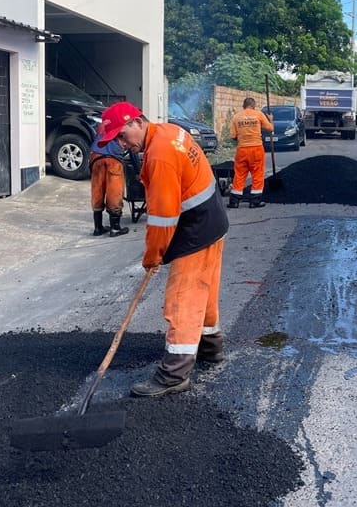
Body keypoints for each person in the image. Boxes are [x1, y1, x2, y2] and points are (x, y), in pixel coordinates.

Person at [98, 101, 229, 397]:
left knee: (182, 299)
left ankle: (174, 374)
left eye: (121, 136)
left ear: (137, 123)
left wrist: (153, 257)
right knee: (204, 293)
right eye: (115, 140)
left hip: (197, 227)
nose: (121, 144)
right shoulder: (168, 131)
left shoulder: (160, 154)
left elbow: (162, 219)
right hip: (212, 220)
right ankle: (211, 348)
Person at [228, 97, 273, 209]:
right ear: (253, 106)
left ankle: (234, 202)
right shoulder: (259, 115)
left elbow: (233, 136)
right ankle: (255, 201)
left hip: (242, 149)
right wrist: (271, 119)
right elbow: (270, 129)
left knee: (239, 175)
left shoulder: (236, 117)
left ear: (244, 106)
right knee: (257, 174)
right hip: (256, 148)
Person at [89, 131, 130, 237]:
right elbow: (132, 152)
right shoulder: (122, 128)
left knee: (97, 192)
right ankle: (115, 229)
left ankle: (98, 228)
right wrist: (139, 170)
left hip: (96, 158)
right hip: (114, 160)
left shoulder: (104, 125)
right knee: (114, 193)